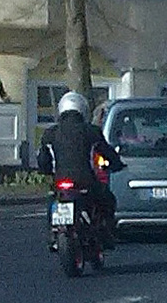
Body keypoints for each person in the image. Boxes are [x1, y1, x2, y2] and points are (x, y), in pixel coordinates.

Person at [37, 91, 124, 246]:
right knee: (108, 199)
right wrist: (116, 164)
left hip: (60, 182)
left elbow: (43, 159)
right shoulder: (91, 131)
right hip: (86, 181)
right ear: (83, 110)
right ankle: (106, 233)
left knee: (53, 200)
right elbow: (107, 152)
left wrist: (46, 171)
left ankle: (53, 232)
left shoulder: (50, 133)